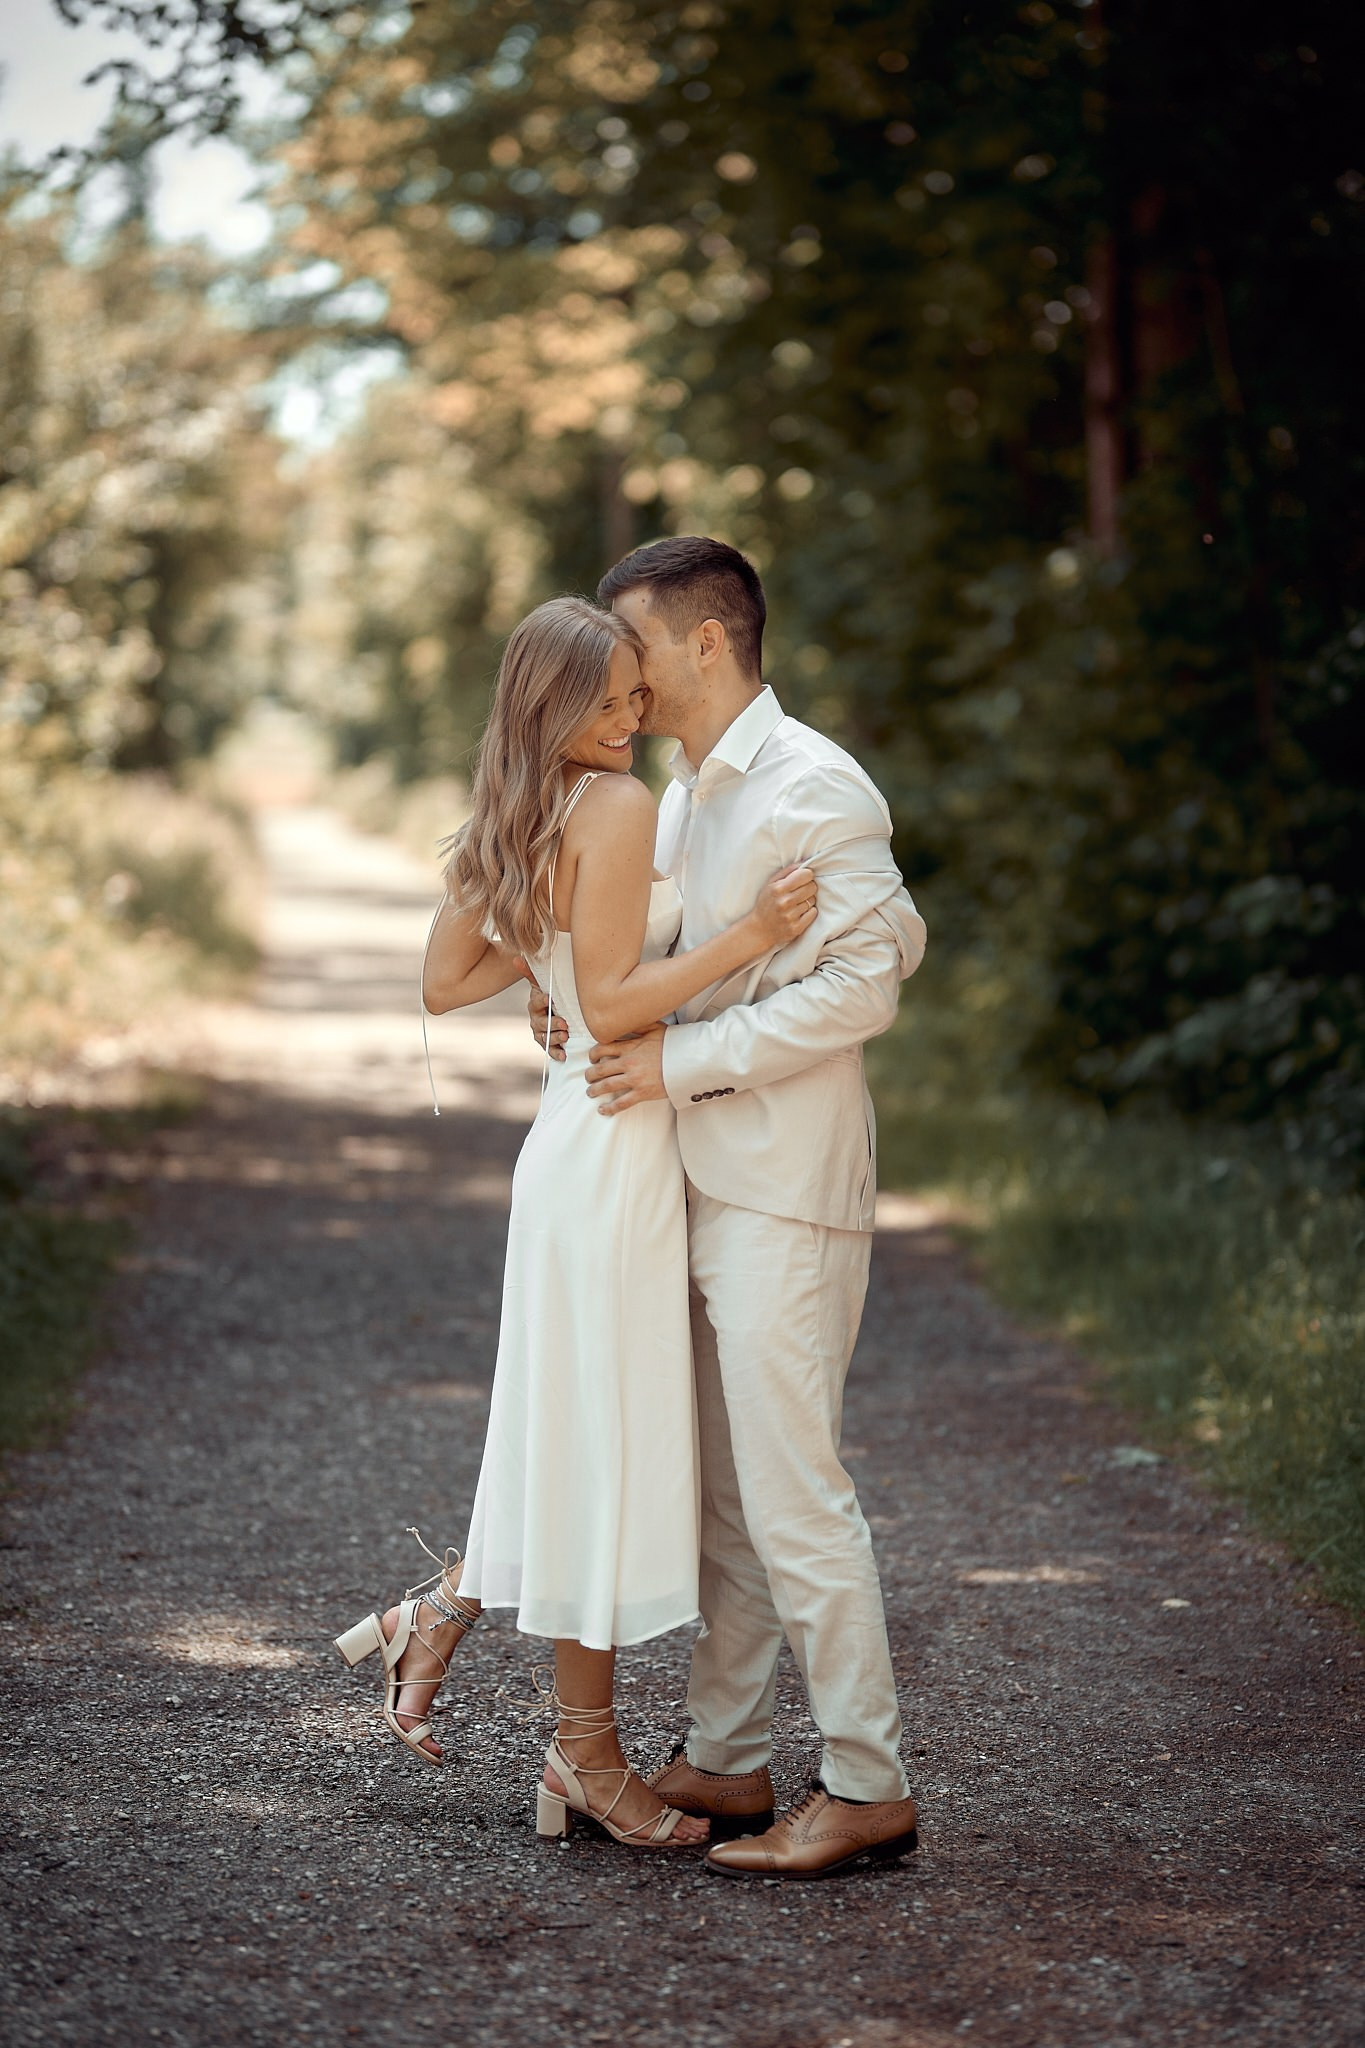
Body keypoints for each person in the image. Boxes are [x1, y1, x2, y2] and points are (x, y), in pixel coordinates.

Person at [333, 594, 818, 1853]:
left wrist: (550, 955)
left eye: (632, 697)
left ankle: (445, 1619)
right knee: (592, 1441)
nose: (628, 717)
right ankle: (582, 1749)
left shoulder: (544, 806)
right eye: (604, 704)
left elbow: (454, 973)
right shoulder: (608, 802)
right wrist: (754, 936)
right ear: (553, 709)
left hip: (583, 1148)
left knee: (571, 1427)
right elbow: (608, 1007)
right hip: (605, 1150)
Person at [534, 537, 927, 1878]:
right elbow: (664, 964)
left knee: (794, 1492)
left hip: (784, 1186)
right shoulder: (683, 791)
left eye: (634, 642)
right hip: (681, 1184)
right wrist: (582, 992)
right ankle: (728, 1756)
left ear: (708, 642)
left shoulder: (815, 784)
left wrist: (680, 1058)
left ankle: (867, 1782)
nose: (618, 670)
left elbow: (871, 980)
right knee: (722, 1499)